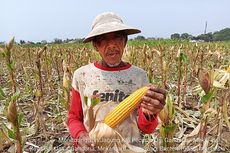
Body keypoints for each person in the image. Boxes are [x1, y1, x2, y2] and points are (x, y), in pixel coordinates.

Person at [67, 12, 166, 152]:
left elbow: (146, 128)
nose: (112, 45)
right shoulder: (81, 75)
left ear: (125, 41)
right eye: (104, 39)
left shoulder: (139, 76)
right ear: (96, 45)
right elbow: (74, 118)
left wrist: (151, 113)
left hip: (129, 148)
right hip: (93, 148)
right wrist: (80, 136)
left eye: (117, 38)